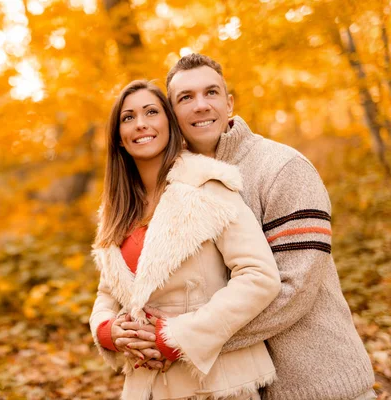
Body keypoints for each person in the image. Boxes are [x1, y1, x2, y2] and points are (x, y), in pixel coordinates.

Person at [140, 53, 375, 400]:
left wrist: (186, 339)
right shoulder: (175, 184)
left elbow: (295, 290)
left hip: (318, 384)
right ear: (172, 115)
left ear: (229, 102)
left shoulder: (283, 168)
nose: (201, 105)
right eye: (185, 98)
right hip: (236, 388)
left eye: (211, 93)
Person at [89, 80, 282, 400]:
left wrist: (175, 338)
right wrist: (109, 332)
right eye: (128, 117)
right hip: (146, 385)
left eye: (151, 112)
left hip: (217, 384)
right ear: (119, 139)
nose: (140, 124)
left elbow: (260, 276)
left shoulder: (206, 185)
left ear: (169, 124)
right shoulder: (116, 207)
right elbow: (107, 293)